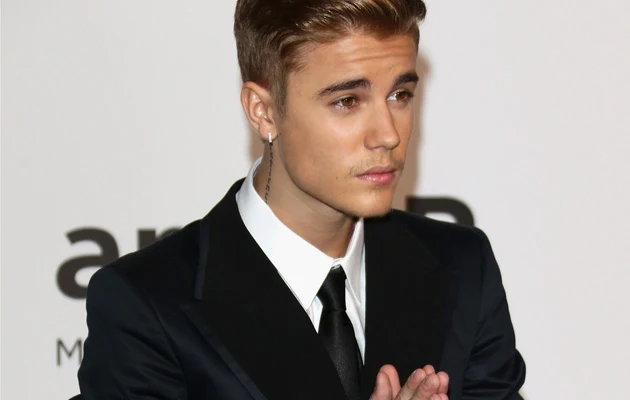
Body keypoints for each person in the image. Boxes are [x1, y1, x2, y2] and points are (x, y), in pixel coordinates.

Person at [75, 0, 526, 399]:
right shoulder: (146, 306)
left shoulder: (461, 269)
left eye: (400, 95)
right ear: (263, 111)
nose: (388, 134)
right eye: (348, 101)